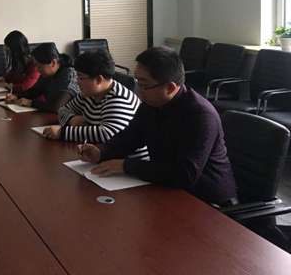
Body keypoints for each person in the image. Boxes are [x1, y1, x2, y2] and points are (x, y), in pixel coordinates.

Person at [76, 46, 237, 206]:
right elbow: (129, 138)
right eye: (137, 81)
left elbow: (184, 174)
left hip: (207, 201)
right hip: (166, 188)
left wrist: (126, 166)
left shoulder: (200, 115)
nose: (138, 91)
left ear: (170, 88)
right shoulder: (151, 104)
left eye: (144, 85)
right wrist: (101, 152)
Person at [42, 50, 145, 159]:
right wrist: (71, 119)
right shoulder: (89, 94)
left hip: (129, 162)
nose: (77, 82)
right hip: (101, 154)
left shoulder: (118, 98)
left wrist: (62, 133)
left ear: (99, 79)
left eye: (81, 78)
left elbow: (107, 134)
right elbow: (63, 110)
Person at [5, 42, 78, 113]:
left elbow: (57, 106)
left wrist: (31, 103)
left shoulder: (69, 76)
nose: (37, 70)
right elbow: (34, 91)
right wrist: (16, 96)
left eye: (39, 66)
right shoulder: (47, 74)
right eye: (36, 65)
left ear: (53, 63)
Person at [0, 30, 39, 95]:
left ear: (15, 51)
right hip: (16, 96)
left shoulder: (35, 65)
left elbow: (24, 87)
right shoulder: (19, 63)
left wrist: (5, 85)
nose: (5, 53)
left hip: (30, 99)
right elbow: (11, 75)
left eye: (7, 50)